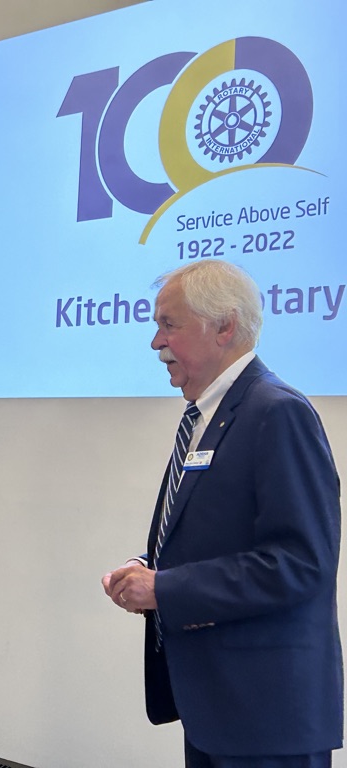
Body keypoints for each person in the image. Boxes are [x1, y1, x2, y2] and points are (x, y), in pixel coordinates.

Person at [102, 260, 343, 767]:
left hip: (267, 718)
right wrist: (148, 567)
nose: (155, 342)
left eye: (169, 324)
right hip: (218, 710)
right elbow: (220, 536)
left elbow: (301, 564)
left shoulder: (277, 411)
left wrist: (164, 589)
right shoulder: (207, 415)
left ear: (224, 326)